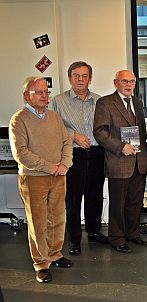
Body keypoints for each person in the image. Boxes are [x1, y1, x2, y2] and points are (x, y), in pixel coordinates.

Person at [9, 77, 73, 283]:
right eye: (39, 92)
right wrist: (50, 167)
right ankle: (41, 263)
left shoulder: (54, 116)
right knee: (38, 222)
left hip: (58, 176)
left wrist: (65, 164)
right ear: (27, 95)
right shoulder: (18, 119)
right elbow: (21, 154)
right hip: (33, 178)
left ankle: (55, 254)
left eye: (46, 92)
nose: (45, 96)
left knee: (57, 217)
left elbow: (66, 142)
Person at [50, 61, 107, 256]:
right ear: (69, 78)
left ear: (90, 78)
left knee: (95, 196)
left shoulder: (101, 100)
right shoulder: (58, 101)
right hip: (72, 155)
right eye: (76, 75)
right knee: (73, 200)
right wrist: (74, 135)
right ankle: (74, 239)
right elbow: (52, 127)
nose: (80, 79)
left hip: (97, 154)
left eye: (84, 76)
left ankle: (93, 232)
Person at [93, 70, 147, 253]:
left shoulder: (138, 103)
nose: (128, 85)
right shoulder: (105, 102)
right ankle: (117, 238)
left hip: (138, 161)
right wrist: (121, 147)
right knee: (118, 202)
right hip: (118, 160)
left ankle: (132, 233)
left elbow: (141, 133)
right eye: (124, 81)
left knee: (135, 201)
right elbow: (100, 132)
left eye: (132, 81)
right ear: (115, 82)